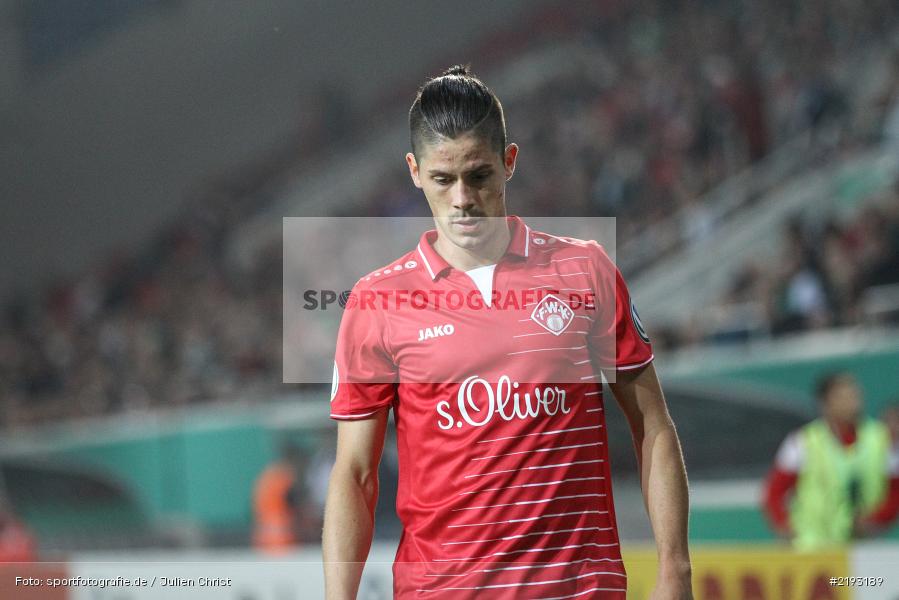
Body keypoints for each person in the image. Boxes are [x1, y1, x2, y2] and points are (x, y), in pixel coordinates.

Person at [322, 65, 692, 599]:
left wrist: (675, 570)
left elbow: (652, 425)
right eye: (443, 179)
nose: (463, 199)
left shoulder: (583, 270)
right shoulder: (377, 302)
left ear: (509, 162)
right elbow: (355, 474)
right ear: (414, 172)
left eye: (479, 175)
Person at [763, 372, 892, 550]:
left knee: (864, 581)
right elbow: (774, 491)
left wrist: (876, 519)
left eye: (854, 395)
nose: (851, 402)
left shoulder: (880, 438)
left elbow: (895, 489)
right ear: (825, 403)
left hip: (864, 548)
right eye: (842, 397)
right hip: (813, 548)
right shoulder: (803, 441)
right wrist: (785, 526)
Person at [252, 442, 309, 554]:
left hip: (265, 539)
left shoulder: (268, 476)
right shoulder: (286, 478)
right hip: (285, 538)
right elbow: (294, 503)